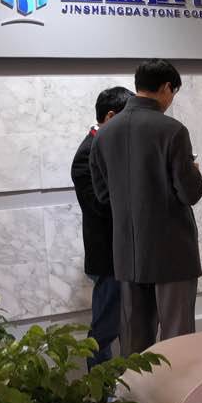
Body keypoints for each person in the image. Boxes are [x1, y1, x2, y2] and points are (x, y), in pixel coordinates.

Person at [89, 59, 202, 355]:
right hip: (173, 253)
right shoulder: (172, 131)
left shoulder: (104, 135)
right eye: (173, 93)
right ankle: (176, 387)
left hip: (128, 254)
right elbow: (189, 192)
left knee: (134, 342)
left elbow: (102, 195)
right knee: (177, 340)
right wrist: (194, 171)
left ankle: (137, 387)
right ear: (166, 88)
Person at [71, 85, 133, 370]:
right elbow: (100, 206)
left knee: (124, 324)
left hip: (123, 254)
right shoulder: (87, 153)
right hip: (108, 256)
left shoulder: (111, 148)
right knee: (105, 329)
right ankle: (100, 389)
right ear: (110, 116)